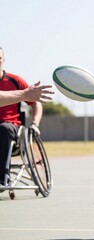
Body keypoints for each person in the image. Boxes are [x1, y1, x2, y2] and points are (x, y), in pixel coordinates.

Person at [0, 46, 54, 187]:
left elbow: (35, 104)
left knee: (3, 128)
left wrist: (35, 124)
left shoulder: (15, 81)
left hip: (10, 129)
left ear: (3, 60)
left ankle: (2, 178)